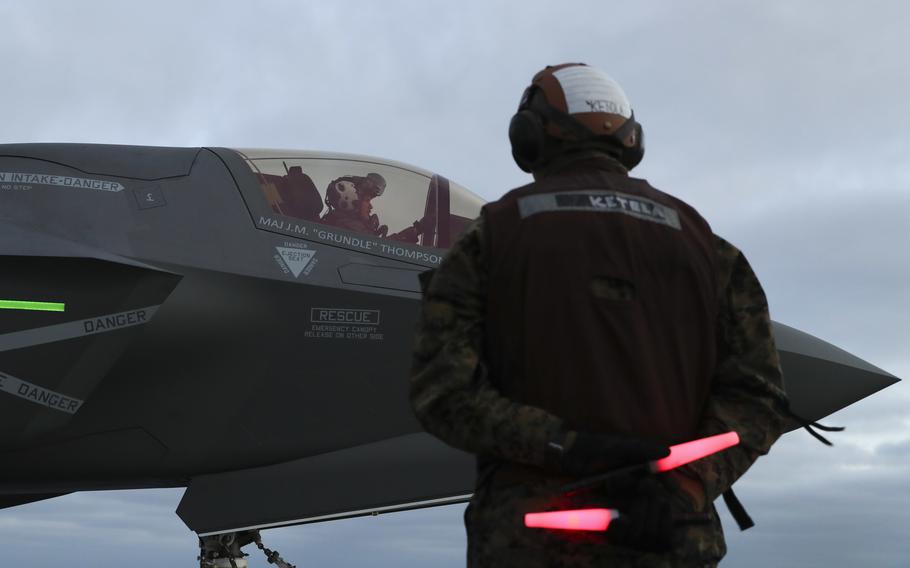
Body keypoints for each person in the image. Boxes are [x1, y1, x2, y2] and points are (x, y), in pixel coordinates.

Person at [410, 63, 789, 567]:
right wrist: (683, 486)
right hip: (670, 538)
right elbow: (759, 400)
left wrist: (568, 446)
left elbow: (444, 392)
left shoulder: (495, 237)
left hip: (535, 540)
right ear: (631, 140)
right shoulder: (708, 248)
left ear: (529, 137)